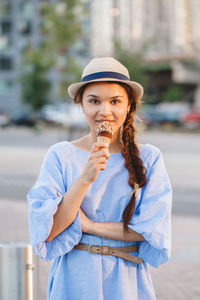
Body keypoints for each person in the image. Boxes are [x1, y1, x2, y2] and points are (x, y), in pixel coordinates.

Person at [27, 57, 172, 300]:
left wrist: (90, 226)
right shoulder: (61, 155)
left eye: (115, 101)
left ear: (129, 106)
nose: (105, 111)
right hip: (75, 278)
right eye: (94, 101)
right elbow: (48, 231)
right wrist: (85, 177)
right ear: (81, 105)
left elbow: (150, 230)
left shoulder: (150, 158)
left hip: (127, 281)